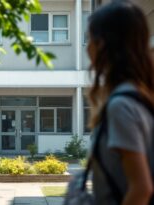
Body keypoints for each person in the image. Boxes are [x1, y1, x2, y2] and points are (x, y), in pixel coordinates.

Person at [87, 1, 154, 205]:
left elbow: (141, 188)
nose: (87, 47)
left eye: (89, 39)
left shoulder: (121, 106)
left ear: (102, 45)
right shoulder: (141, 96)